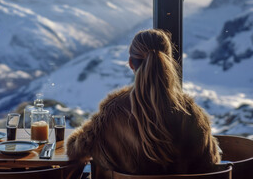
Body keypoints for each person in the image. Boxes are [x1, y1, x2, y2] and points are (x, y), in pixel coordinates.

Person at [66, 29, 221, 175]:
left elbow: (75, 150)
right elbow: (211, 162)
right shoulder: (191, 113)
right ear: (167, 62)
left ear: (131, 64)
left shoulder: (112, 112)